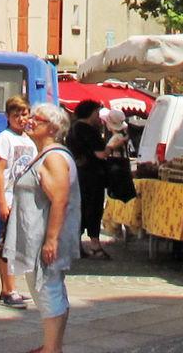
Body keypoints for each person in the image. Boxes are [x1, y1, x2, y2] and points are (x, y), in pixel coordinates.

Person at [4, 101, 81, 353]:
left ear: (52, 128)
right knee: (47, 290)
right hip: (37, 235)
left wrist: (51, 239)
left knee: (47, 290)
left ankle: (52, 349)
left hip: (44, 238)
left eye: (37, 119)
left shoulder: (54, 157)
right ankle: (50, 346)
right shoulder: (44, 154)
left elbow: (60, 199)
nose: (30, 121)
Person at [0, 95, 36, 309]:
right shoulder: (4, 138)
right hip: (7, 198)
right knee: (6, 245)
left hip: (23, 199)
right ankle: (9, 289)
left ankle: (8, 287)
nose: (21, 118)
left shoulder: (28, 140)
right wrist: (2, 202)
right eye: (16, 115)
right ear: (8, 117)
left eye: (24, 114)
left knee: (16, 245)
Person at [67, 98, 117, 259]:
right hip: (91, 175)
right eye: (96, 113)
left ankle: (77, 243)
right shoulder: (86, 129)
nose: (98, 117)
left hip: (79, 174)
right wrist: (113, 145)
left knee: (81, 208)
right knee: (92, 208)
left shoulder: (73, 128)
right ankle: (94, 243)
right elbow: (100, 153)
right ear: (90, 113)